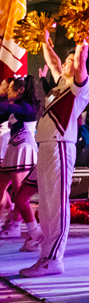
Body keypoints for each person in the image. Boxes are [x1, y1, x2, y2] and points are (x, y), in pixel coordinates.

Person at [20, 36, 89, 278]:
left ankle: (53, 259)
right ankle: (45, 254)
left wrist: (82, 41)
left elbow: (82, 61)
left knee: (56, 205)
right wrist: (44, 40)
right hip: (47, 147)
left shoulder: (81, 86)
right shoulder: (61, 83)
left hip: (61, 146)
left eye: (70, 60)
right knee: (45, 203)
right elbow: (53, 62)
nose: (64, 63)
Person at [0, 75, 41, 250]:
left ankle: (23, 228)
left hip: (23, 149)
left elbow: (6, 106)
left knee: (20, 192)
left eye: (10, 88)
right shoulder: (18, 107)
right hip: (14, 148)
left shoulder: (27, 107)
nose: (7, 90)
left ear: (21, 90)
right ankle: (11, 223)